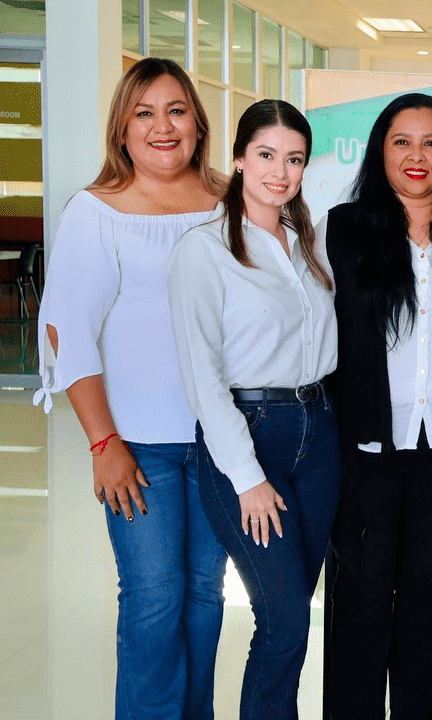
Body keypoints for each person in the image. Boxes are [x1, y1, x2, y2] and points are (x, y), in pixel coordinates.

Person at [35, 57, 225, 720]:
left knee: (204, 597)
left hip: (223, 441)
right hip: (139, 447)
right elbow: (66, 332)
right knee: (153, 600)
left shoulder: (234, 203)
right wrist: (103, 443)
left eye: (176, 111)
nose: (162, 127)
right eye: (144, 113)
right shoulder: (96, 212)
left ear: (198, 124)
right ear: (122, 128)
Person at [168, 99, 339, 720]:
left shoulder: (309, 244)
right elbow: (203, 378)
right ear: (239, 159)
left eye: (294, 159)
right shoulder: (203, 250)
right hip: (250, 436)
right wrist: (247, 477)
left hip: (319, 436)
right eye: (266, 155)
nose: (280, 172)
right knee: (284, 619)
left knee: (292, 620)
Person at [322, 93, 432, 719]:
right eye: (402, 141)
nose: (416, 155)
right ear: (380, 150)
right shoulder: (343, 229)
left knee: (425, 602)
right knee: (362, 601)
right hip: (368, 449)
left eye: (431, 142)